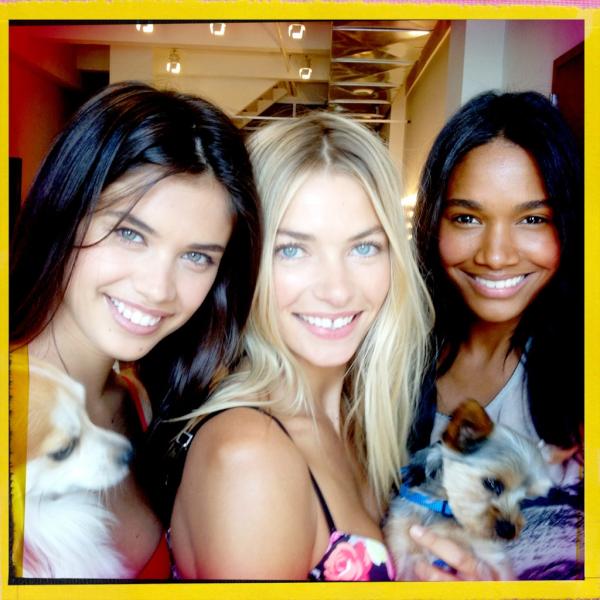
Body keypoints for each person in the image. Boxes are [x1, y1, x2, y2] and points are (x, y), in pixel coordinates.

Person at [166, 111, 497, 582]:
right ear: (248, 261)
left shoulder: (358, 418)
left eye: (364, 247)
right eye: (292, 249)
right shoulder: (251, 456)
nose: (337, 290)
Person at [9, 81, 261, 578]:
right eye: (130, 233)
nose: (158, 288)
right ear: (67, 211)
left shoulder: (142, 404)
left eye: (196, 257)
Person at [412, 90, 583, 580]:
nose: (496, 255)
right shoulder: (394, 354)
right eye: (467, 218)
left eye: (533, 219)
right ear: (433, 223)